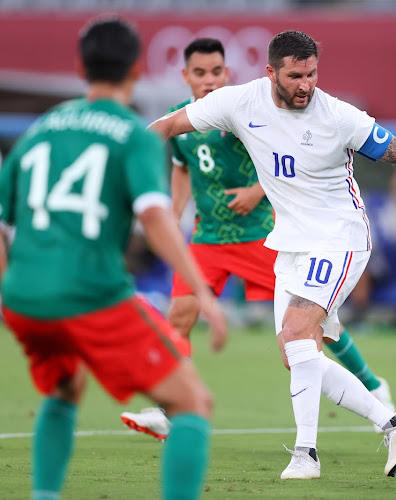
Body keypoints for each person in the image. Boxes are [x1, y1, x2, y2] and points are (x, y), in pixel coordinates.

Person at [148, 29, 396, 480]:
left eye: (311, 74)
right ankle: (394, 425)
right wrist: (122, 157)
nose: (305, 84)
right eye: (295, 75)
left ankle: (306, 455)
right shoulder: (239, 103)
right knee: (297, 354)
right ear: (271, 73)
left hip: (339, 238)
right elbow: (167, 127)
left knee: (296, 334)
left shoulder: (338, 116)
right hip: (289, 243)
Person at [120, 37, 395, 441]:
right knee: (179, 314)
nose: (209, 80)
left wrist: (255, 192)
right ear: (185, 76)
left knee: (310, 322)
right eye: (200, 73)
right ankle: (169, 408)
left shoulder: (240, 111)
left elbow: (288, 164)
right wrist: (173, 218)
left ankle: (372, 384)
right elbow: (182, 171)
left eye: (216, 71)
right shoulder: (183, 121)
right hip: (209, 236)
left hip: (260, 236)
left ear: (226, 74)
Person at [0, 18, 227, 500]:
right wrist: (202, 291)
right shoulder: (132, 134)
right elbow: (155, 217)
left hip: (22, 299)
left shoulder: (40, 130)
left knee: (65, 388)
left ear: (81, 66)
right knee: (192, 403)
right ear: (138, 68)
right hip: (89, 295)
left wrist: (9, 287)